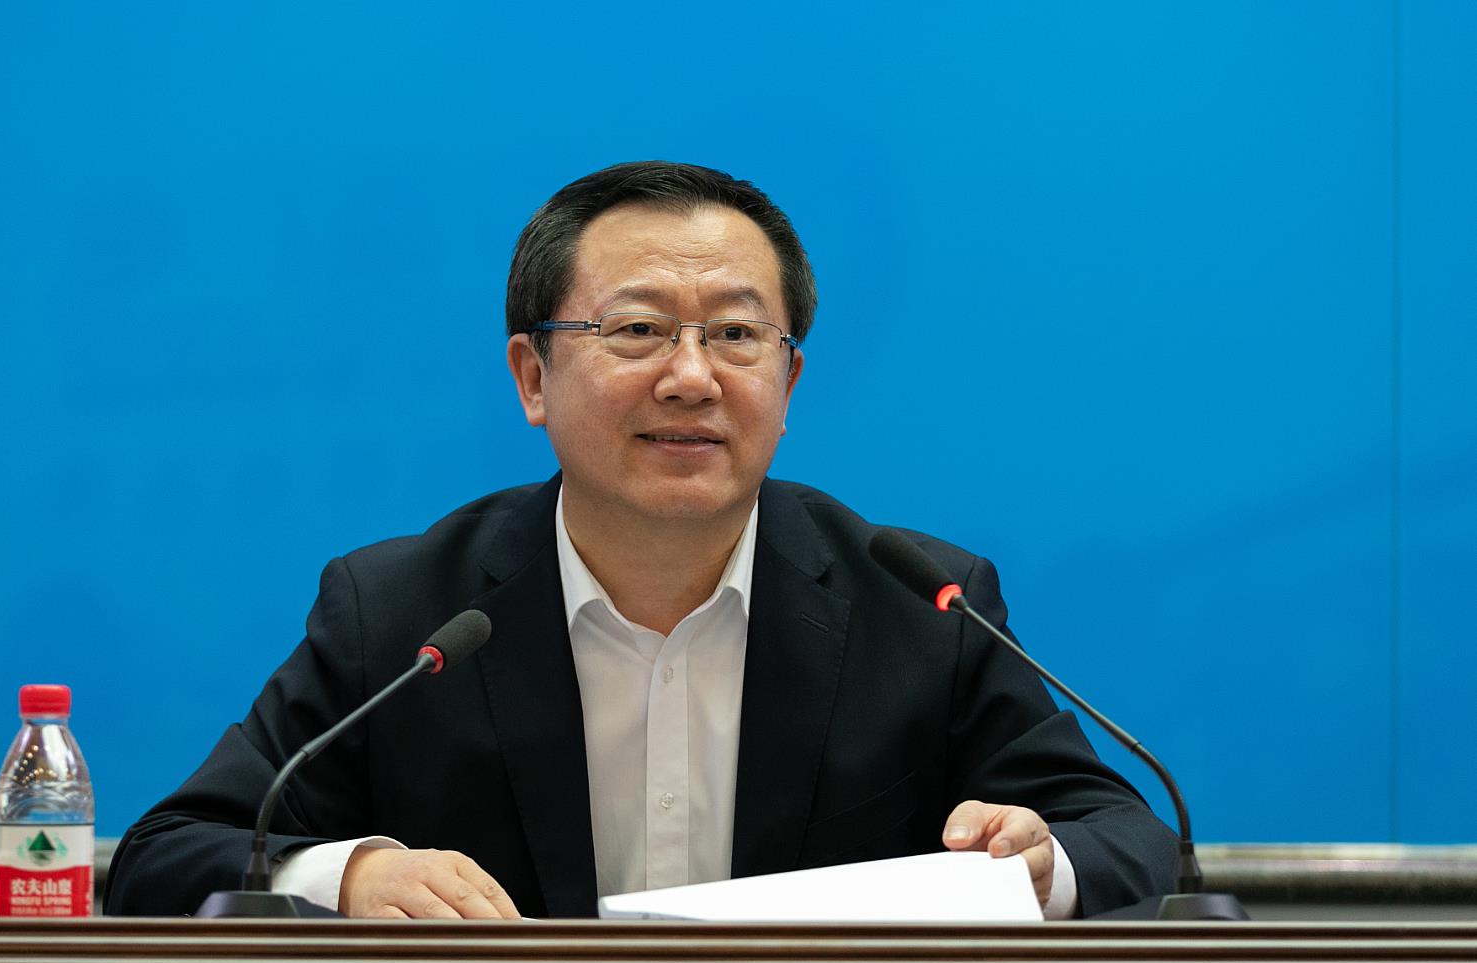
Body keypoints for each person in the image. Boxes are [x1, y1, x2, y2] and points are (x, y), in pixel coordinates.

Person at [105, 162, 1177, 920]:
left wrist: (1036, 864)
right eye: (638, 330)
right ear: (532, 377)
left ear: (788, 383)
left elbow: (1125, 837)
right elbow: (168, 857)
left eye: (737, 334)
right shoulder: (403, 612)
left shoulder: (921, 601)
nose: (691, 377)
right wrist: (350, 876)